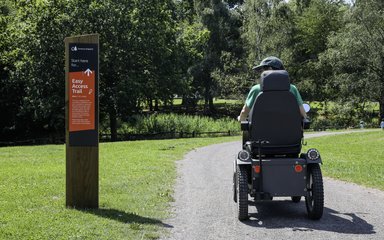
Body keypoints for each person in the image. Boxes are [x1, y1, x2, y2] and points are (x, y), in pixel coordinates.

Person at [238, 56, 307, 121]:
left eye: (261, 71)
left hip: (261, 132)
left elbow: (244, 112)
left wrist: (241, 119)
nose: (260, 74)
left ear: (269, 69)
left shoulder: (256, 89)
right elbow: (303, 113)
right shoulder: (292, 88)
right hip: (288, 132)